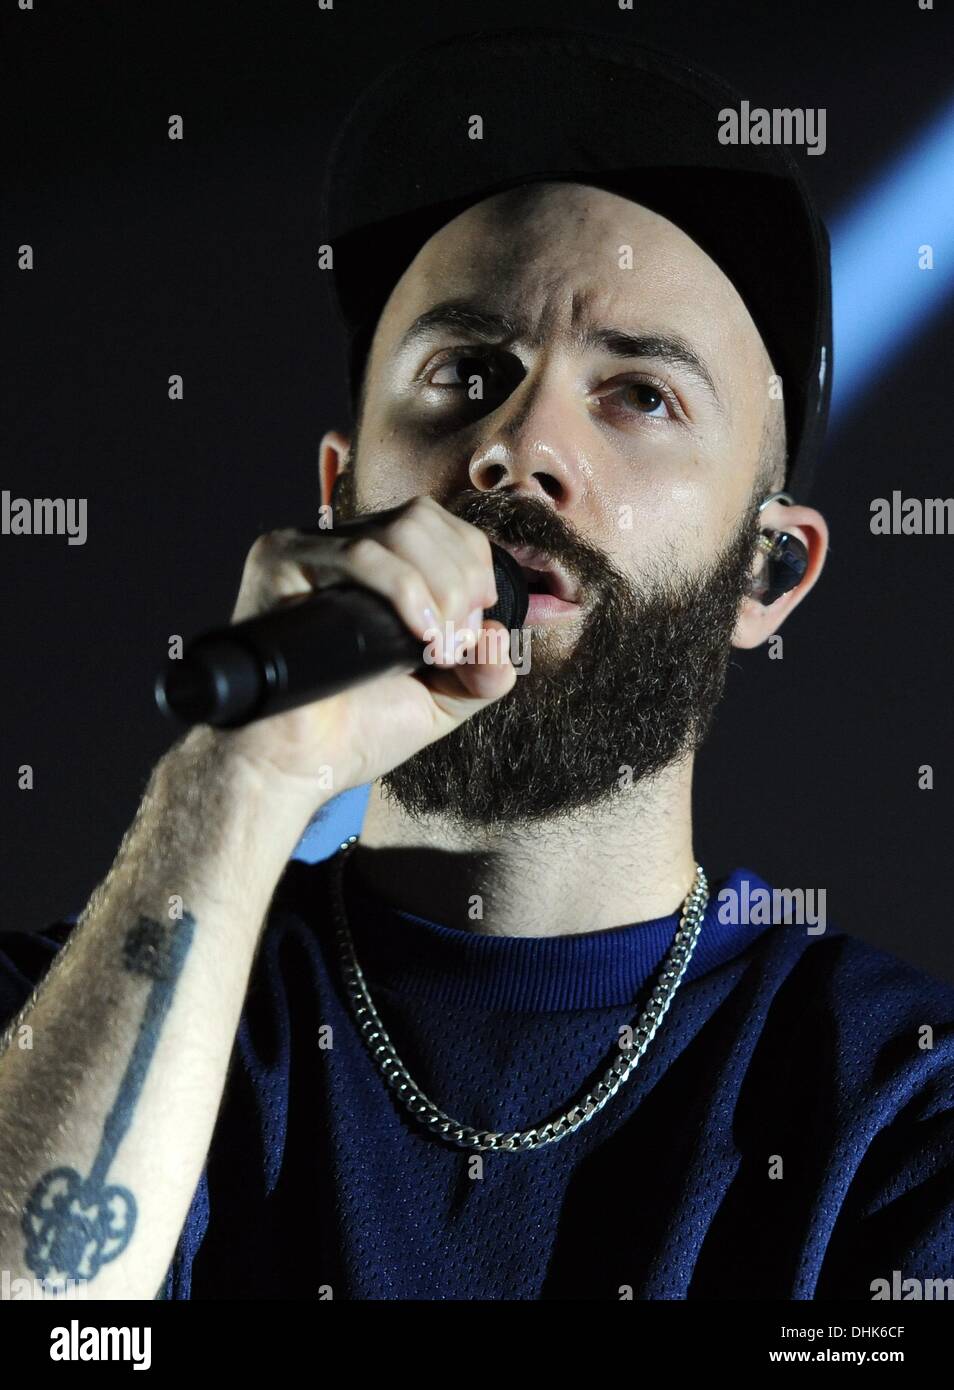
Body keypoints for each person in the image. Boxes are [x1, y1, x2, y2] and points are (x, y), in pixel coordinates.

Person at [1, 27, 952, 1303]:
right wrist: (230, 783)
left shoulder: (900, 1106)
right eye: (465, 373)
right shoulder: (59, 1021)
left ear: (767, 572)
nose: (516, 448)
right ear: (342, 497)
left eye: (641, 395)